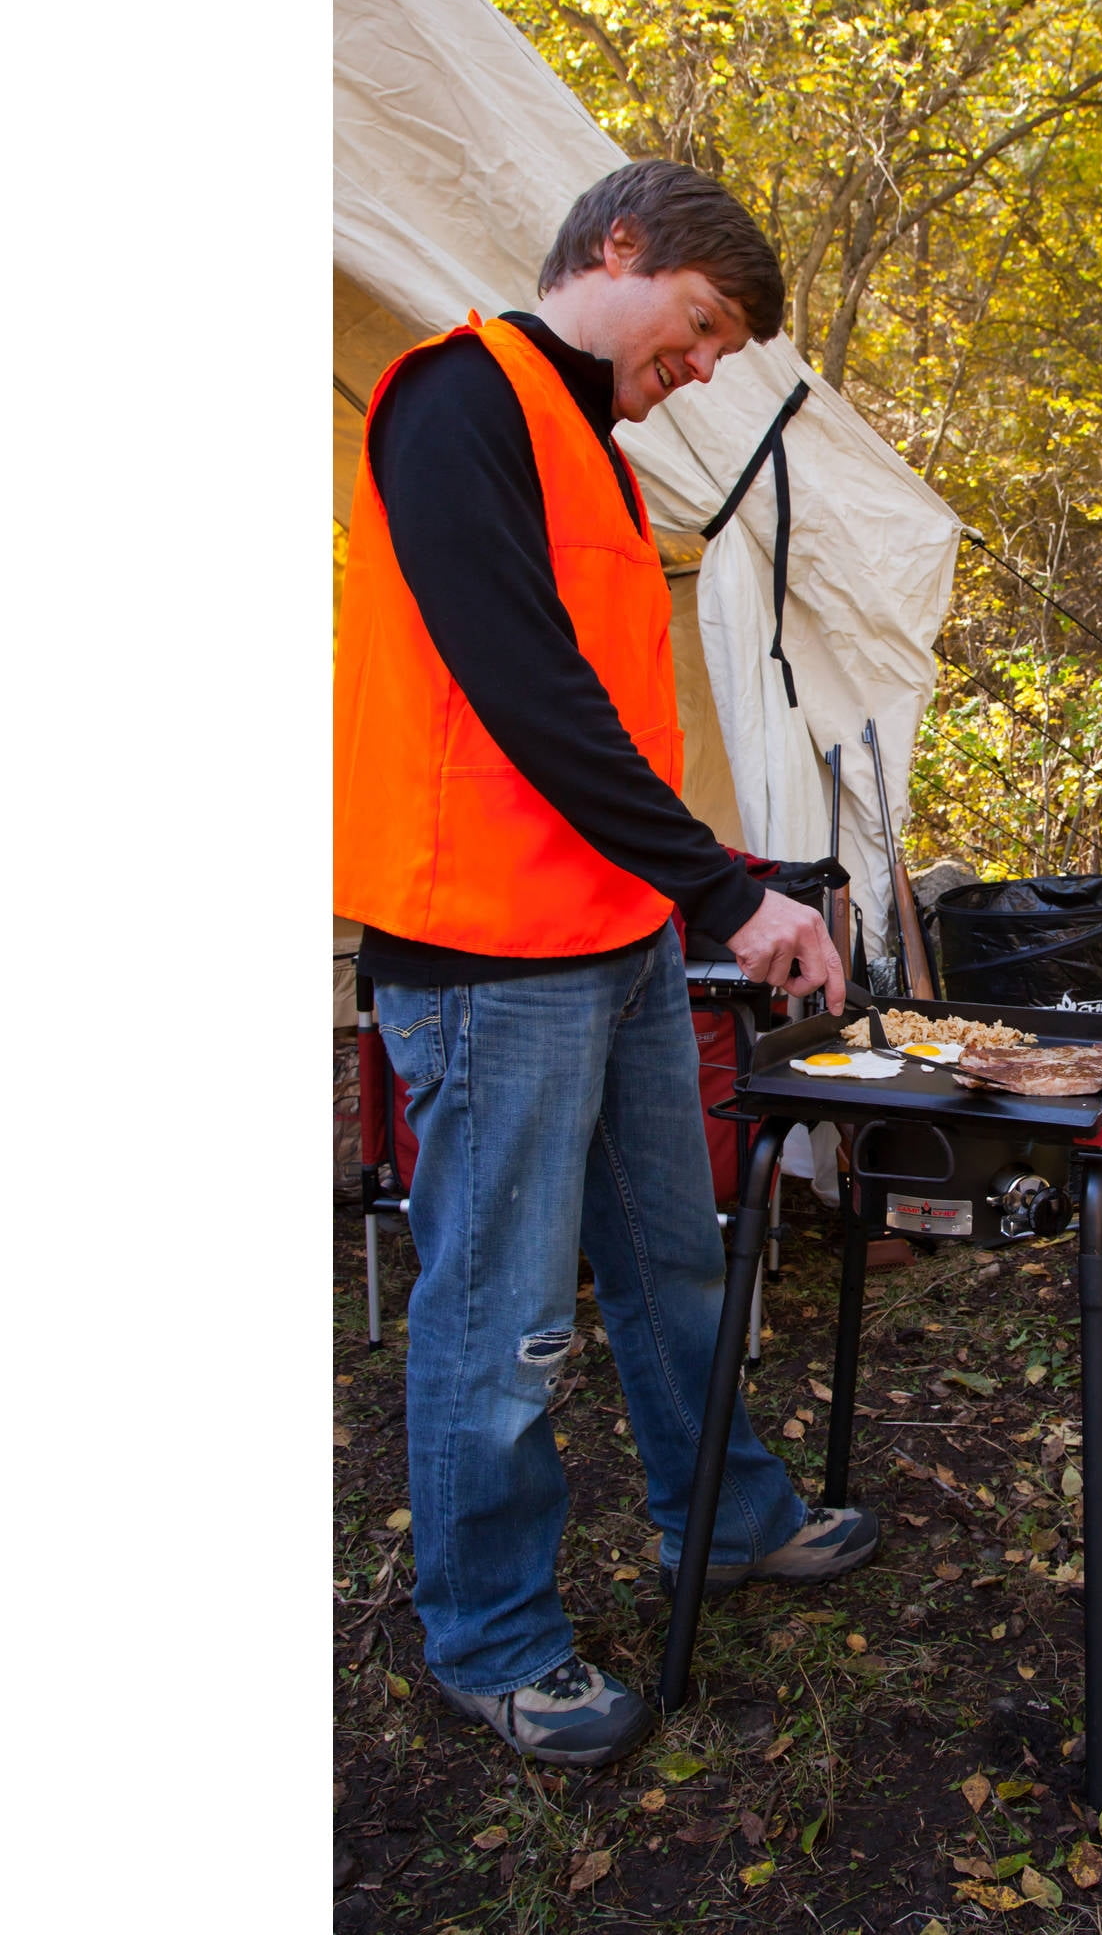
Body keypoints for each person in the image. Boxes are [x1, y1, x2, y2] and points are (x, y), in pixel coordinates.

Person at [334, 160, 876, 1771]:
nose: (703, 365)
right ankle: (491, 1639)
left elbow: (617, 734)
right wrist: (726, 895)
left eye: (721, 350)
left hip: (614, 932)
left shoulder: (603, 457)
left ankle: (727, 1517)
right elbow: (518, 690)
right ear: (617, 249)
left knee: (671, 1259)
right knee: (501, 1314)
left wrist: (714, 885)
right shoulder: (458, 403)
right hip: (490, 956)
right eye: (701, 325)